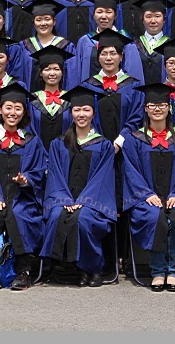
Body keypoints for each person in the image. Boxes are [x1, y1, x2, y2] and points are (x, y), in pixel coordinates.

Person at [121, 83, 175, 293]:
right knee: (155, 218)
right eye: (152, 105)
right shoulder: (134, 140)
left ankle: (172, 271)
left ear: (169, 108)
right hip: (146, 198)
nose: (157, 109)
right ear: (145, 109)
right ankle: (158, 271)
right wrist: (146, 194)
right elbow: (131, 171)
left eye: (162, 105)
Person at [40, 86, 116, 287]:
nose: (81, 114)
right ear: (71, 113)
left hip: (93, 201)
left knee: (82, 219)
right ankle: (66, 267)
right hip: (63, 198)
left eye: (86, 110)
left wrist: (83, 201)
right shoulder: (58, 144)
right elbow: (55, 174)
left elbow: (103, 178)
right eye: (77, 110)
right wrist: (64, 200)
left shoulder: (103, 145)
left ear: (93, 113)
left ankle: (92, 268)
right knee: (57, 215)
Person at [0, 83, 46, 291]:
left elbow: (39, 169)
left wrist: (26, 180)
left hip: (23, 198)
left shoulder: (31, 142)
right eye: (8, 107)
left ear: (24, 112)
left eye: (18, 108)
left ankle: (23, 271)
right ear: (0, 109)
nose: (12, 113)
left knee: (18, 213)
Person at [81, 29, 144, 146]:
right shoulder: (88, 86)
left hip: (126, 146)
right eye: (104, 54)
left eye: (113, 53)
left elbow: (137, 116)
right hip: (96, 147)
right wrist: (100, 143)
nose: (108, 58)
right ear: (98, 57)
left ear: (121, 57)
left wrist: (120, 141)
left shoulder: (134, 86)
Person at [73, 0, 144, 84]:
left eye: (108, 12)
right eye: (99, 12)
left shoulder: (126, 41)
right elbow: (77, 74)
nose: (103, 16)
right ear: (93, 15)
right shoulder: (85, 41)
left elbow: (134, 76)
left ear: (115, 15)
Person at [10, 0, 74, 90]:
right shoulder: (24, 46)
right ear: (33, 23)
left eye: (47, 19)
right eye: (39, 19)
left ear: (54, 22)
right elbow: (18, 75)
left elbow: (71, 77)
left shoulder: (66, 46)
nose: (43, 23)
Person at [28, 46, 77, 150]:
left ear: (62, 72)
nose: (52, 73)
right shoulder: (32, 100)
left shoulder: (70, 99)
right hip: (38, 153)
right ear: (40, 73)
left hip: (65, 152)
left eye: (56, 69)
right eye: (47, 69)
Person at [131, 0, 175, 84]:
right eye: (148, 16)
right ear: (142, 20)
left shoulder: (172, 46)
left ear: (164, 19)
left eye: (157, 16)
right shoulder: (133, 46)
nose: (153, 21)